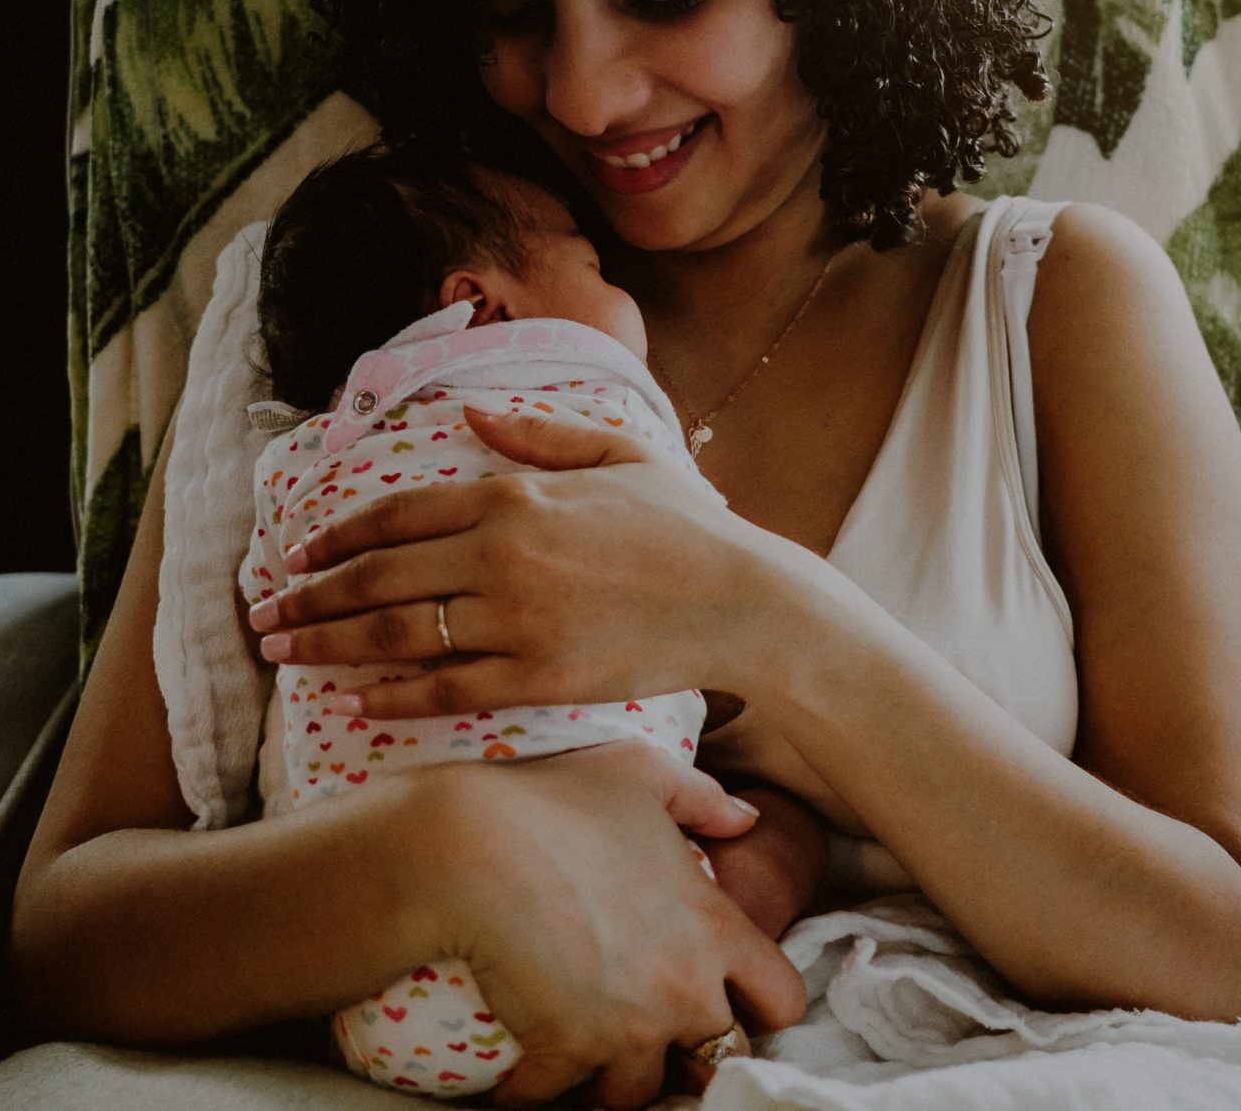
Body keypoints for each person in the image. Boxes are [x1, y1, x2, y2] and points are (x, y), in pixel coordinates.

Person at [11, 0, 1241, 1108]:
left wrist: (758, 614)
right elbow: (72, 930)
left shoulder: (1059, 309)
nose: (584, 94)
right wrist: (441, 850)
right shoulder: (363, 296)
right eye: (507, 7)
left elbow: (1224, 954)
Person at [240, 142, 830, 1096]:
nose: (620, 292)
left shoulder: (300, 464)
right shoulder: (590, 406)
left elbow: (264, 594)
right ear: (479, 303)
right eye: (593, 267)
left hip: (361, 980)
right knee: (787, 832)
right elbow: (715, 582)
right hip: (624, 938)